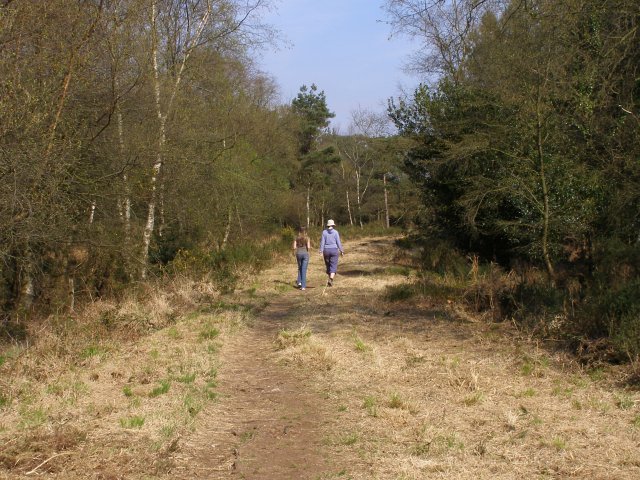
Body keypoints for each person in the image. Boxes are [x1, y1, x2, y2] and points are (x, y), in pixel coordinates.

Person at [319, 219, 344, 286]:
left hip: (326, 251)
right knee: (333, 265)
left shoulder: (324, 232)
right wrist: (341, 250)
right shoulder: (336, 232)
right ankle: (331, 279)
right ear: (333, 225)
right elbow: (338, 242)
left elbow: (322, 242)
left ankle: (330, 278)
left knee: (328, 265)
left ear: (328, 225)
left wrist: (321, 251)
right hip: (334, 250)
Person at [293, 226, 311, 290]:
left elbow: (294, 247)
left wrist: (294, 252)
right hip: (305, 254)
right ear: (305, 231)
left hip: (298, 254)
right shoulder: (307, 238)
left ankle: (299, 282)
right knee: (304, 270)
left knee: (300, 268)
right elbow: (308, 247)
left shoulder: (296, 237)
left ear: (299, 231)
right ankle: (303, 286)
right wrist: (308, 252)